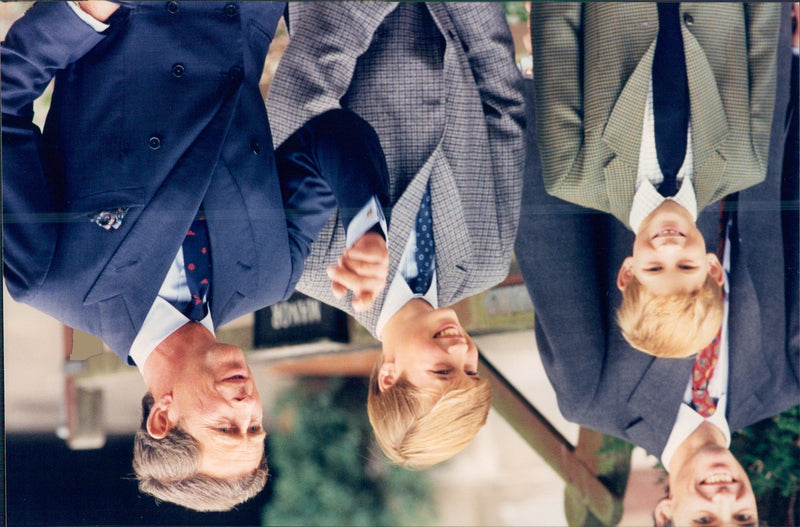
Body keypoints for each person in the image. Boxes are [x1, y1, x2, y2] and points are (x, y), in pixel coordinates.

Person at [2, 1, 390, 511]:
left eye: (228, 426)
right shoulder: (270, 276)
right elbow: (333, 137)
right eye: (255, 425)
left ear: (162, 418)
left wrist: (85, 11)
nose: (248, 405)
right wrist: (367, 225)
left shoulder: (50, 279)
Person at [516, 4, 797, 524]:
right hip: (739, 63)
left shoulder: (593, 395)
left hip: (623, 78)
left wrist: (545, 72)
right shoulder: (782, 378)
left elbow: (548, 232)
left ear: (666, 514)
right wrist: (786, 42)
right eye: (743, 519)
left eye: (705, 521)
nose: (724, 499)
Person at [266, 2, 526, 468]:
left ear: (388, 376)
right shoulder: (487, 258)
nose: (461, 348)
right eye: (470, 369)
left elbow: (305, 92)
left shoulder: (308, 264)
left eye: (442, 370)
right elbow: (503, 104)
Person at [530, 3, 782, 358]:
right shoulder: (746, 163)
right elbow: (762, 39)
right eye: (686, 265)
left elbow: (558, 36)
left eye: (654, 267)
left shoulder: (573, 174)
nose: (669, 249)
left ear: (627, 273)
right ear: (712, 267)